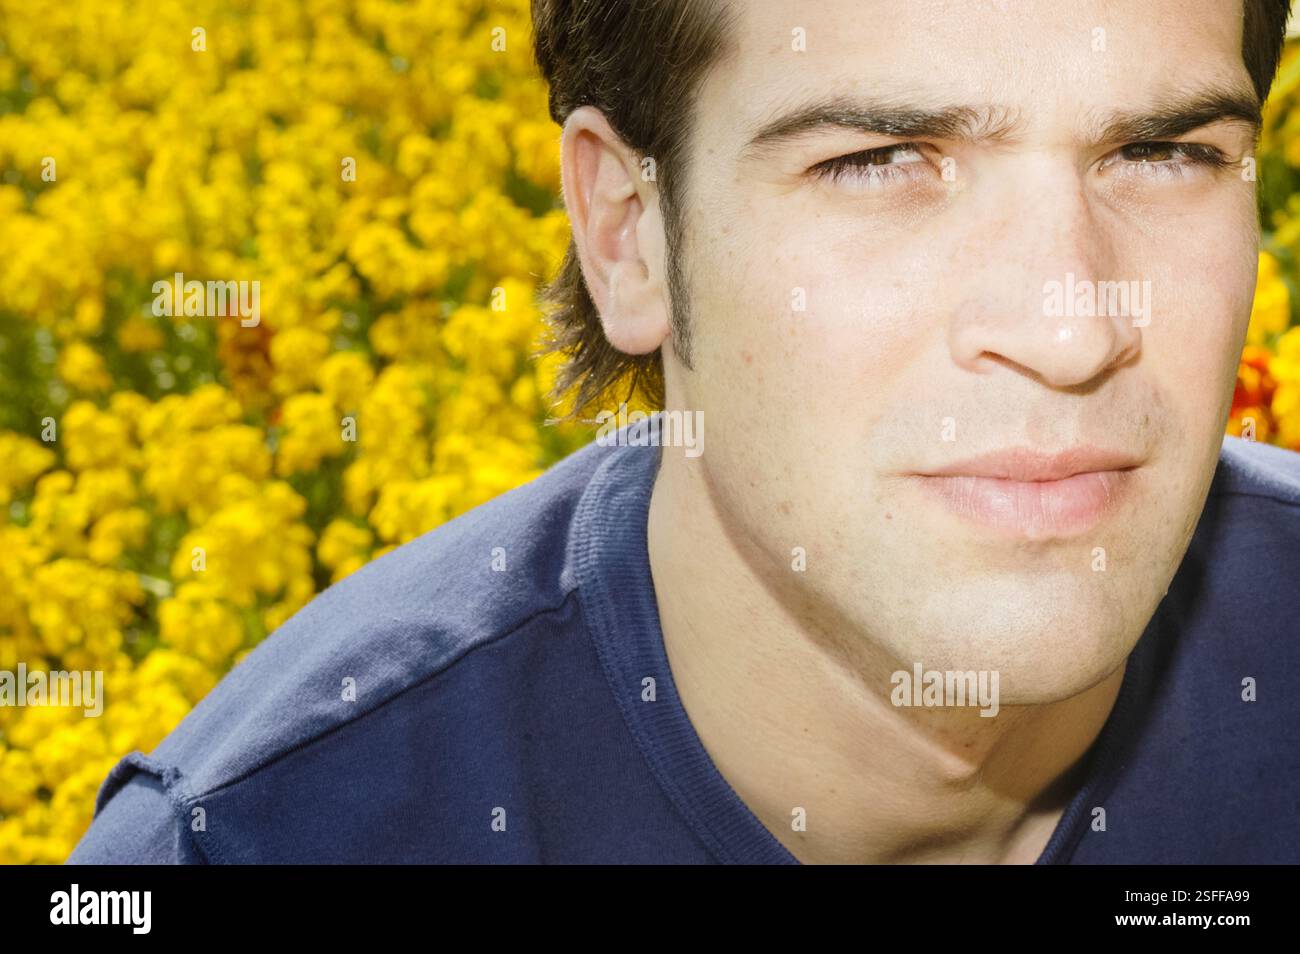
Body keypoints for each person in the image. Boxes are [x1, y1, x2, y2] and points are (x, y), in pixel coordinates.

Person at [69, 0, 1299, 864]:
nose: (1072, 328)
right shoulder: (254, 843)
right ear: (627, 235)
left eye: (1165, 151)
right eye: (877, 161)